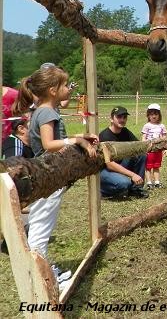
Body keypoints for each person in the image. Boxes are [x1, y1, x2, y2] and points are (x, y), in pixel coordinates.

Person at [15, 64, 98, 289]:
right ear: (53, 90)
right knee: (41, 230)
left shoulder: (42, 110)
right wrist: (77, 141)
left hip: (45, 173)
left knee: (39, 224)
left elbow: (52, 140)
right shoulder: (47, 111)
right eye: (64, 85)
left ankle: (42, 270)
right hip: (49, 175)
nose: (68, 89)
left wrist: (79, 136)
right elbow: (49, 144)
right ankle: (43, 278)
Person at [99, 106, 148, 199]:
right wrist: (133, 175)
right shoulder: (104, 136)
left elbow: (139, 147)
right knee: (125, 183)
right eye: (119, 117)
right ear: (111, 119)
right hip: (105, 170)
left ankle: (136, 189)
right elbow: (109, 164)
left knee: (141, 155)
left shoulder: (125, 132)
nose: (122, 119)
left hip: (120, 165)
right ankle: (103, 190)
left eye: (124, 117)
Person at [142, 103, 167, 189]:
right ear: (148, 116)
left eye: (156, 114)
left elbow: (164, 139)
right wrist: (144, 148)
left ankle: (157, 182)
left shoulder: (162, 126)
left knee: (156, 166)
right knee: (148, 167)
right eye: (151, 114)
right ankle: (149, 183)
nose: (154, 116)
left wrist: (165, 148)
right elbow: (143, 138)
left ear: (159, 115)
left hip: (158, 150)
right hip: (149, 150)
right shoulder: (146, 126)